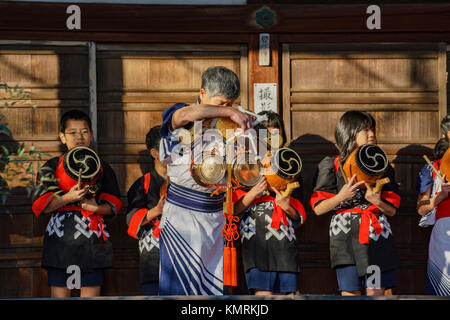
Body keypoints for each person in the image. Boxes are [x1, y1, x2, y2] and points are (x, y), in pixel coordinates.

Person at [158, 66, 254, 295]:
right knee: (180, 289)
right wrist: (228, 113)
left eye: (231, 104)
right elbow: (182, 116)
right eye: (221, 103)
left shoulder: (233, 123)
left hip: (215, 217)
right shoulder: (183, 113)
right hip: (183, 216)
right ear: (202, 93)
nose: (227, 109)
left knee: (211, 289)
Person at [309, 110, 401, 296]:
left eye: (372, 129)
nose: (371, 134)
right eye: (365, 130)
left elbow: (392, 211)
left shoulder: (381, 165)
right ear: (349, 132)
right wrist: (341, 196)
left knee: (375, 291)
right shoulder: (331, 164)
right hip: (344, 243)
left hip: (374, 240)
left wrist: (376, 201)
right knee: (350, 292)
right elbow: (318, 208)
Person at [32, 109, 122, 298]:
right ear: (62, 137)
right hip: (59, 239)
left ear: (91, 135)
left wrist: (95, 208)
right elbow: (41, 205)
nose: (79, 137)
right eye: (72, 132)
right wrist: (67, 198)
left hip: (92, 237)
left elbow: (113, 205)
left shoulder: (102, 167)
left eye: (84, 131)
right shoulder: (51, 166)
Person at [232, 111, 306, 295]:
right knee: (262, 296)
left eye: (276, 133)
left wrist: (287, 206)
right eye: (266, 133)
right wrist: (254, 192)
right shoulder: (245, 164)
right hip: (255, 240)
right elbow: (233, 209)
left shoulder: (291, 165)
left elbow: (300, 211)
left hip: (284, 241)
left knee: (286, 295)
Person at [126, 125, 166, 295]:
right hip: (154, 252)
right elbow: (131, 219)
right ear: (154, 153)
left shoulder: (187, 180)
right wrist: (156, 210)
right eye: (167, 146)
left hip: (183, 250)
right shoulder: (142, 184)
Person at [416, 114, 450, 295]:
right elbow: (421, 207)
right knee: (443, 290)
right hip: (445, 231)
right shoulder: (432, 167)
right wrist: (439, 197)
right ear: (445, 135)